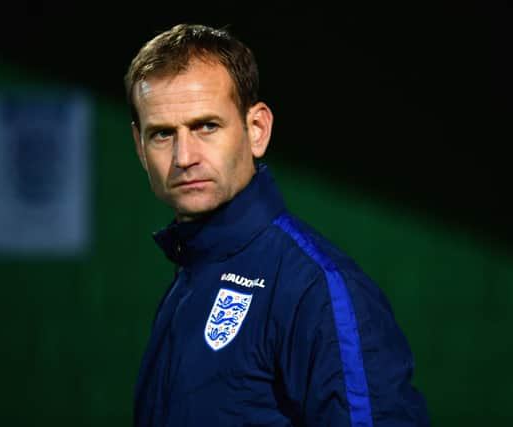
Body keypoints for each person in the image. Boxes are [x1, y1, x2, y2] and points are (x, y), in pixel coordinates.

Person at [124, 23, 430, 427]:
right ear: (140, 148)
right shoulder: (192, 274)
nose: (184, 156)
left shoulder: (315, 288)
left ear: (256, 130)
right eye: (162, 134)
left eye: (206, 126)